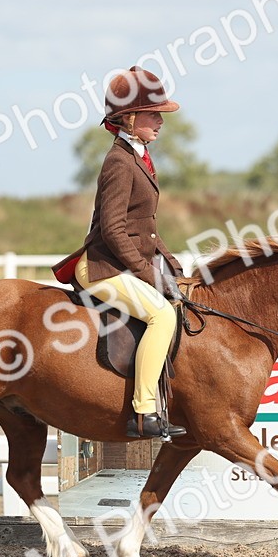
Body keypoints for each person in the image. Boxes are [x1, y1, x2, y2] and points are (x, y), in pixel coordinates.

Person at [53, 66, 186, 439]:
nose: (160, 121)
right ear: (128, 119)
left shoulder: (140, 156)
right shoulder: (118, 161)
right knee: (161, 315)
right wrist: (148, 273)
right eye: (152, 114)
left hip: (123, 263)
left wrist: (172, 264)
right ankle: (143, 412)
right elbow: (112, 229)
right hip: (102, 268)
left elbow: (144, 223)